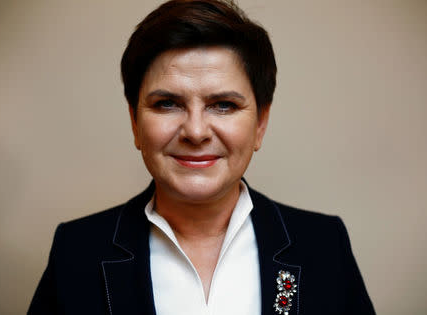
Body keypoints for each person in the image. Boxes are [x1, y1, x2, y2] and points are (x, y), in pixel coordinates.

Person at [28, 1, 375, 314]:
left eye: (223, 105)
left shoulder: (324, 245)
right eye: (167, 104)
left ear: (260, 124)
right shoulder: (76, 252)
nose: (195, 132)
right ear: (135, 122)